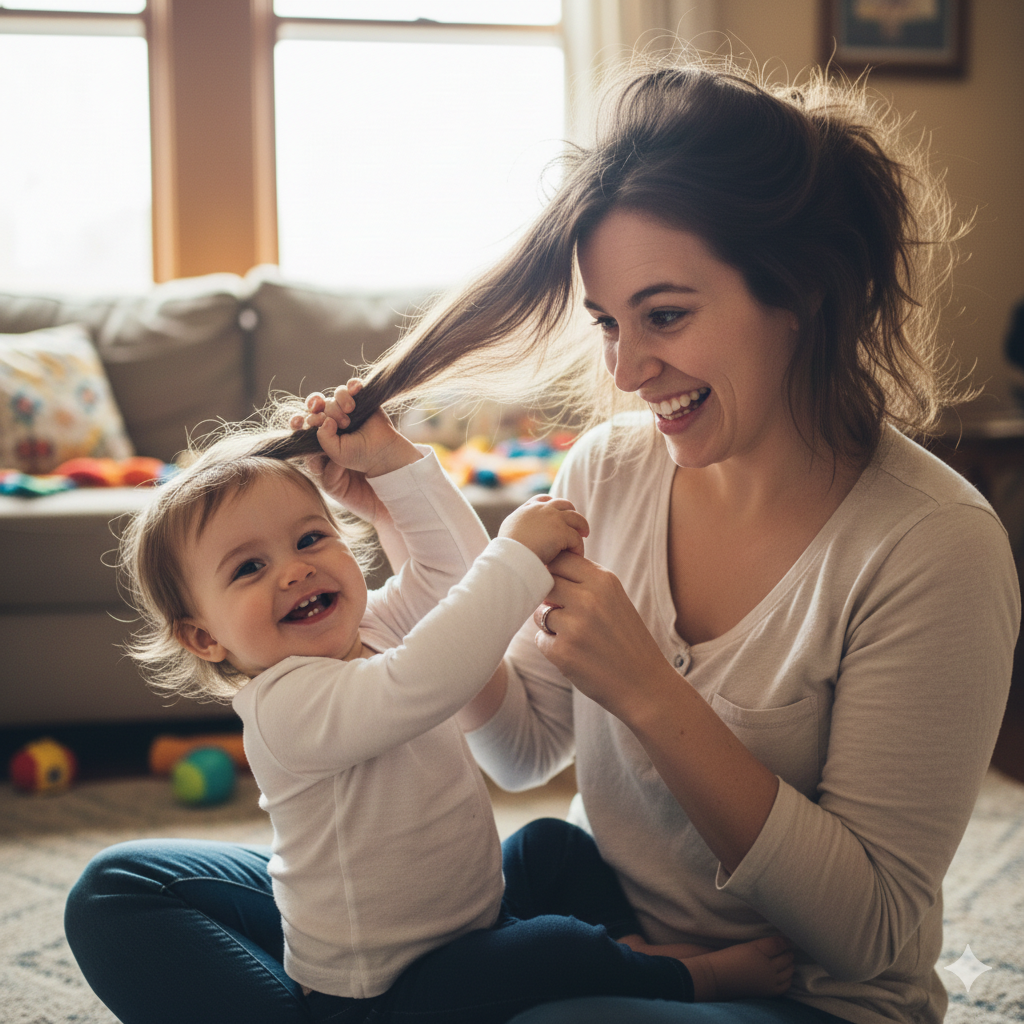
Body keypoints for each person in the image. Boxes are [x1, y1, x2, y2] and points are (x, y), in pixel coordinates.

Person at [65, 56, 1019, 1024]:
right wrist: (399, 513)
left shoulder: (930, 545)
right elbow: (522, 751)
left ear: (802, 290)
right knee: (124, 891)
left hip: (799, 996)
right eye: (606, 322)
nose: (627, 370)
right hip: (598, 919)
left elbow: (867, 933)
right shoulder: (610, 469)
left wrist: (648, 689)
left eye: (665, 315)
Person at [66, 378, 795, 1024]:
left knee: (552, 845)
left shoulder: (367, 631)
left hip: (470, 920)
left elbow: (453, 576)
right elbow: (424, 678)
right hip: (383, 995)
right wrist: (517, 555)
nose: (294, 571)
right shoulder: (286, 706)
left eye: (311, 538)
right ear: (204, 638)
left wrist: (397, 468)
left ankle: (629, 952)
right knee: (553, 948)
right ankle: (686, 978)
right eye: (249, 568)